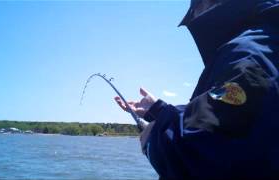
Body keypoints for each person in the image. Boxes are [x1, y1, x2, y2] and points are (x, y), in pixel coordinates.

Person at [115, 0, 279, 179]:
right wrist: (157, 110)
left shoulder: (247, 55)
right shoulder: (264, 44)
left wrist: (155, 138)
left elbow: (205, 149)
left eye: (193, 11)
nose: (194, 18)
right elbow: (231, 117)